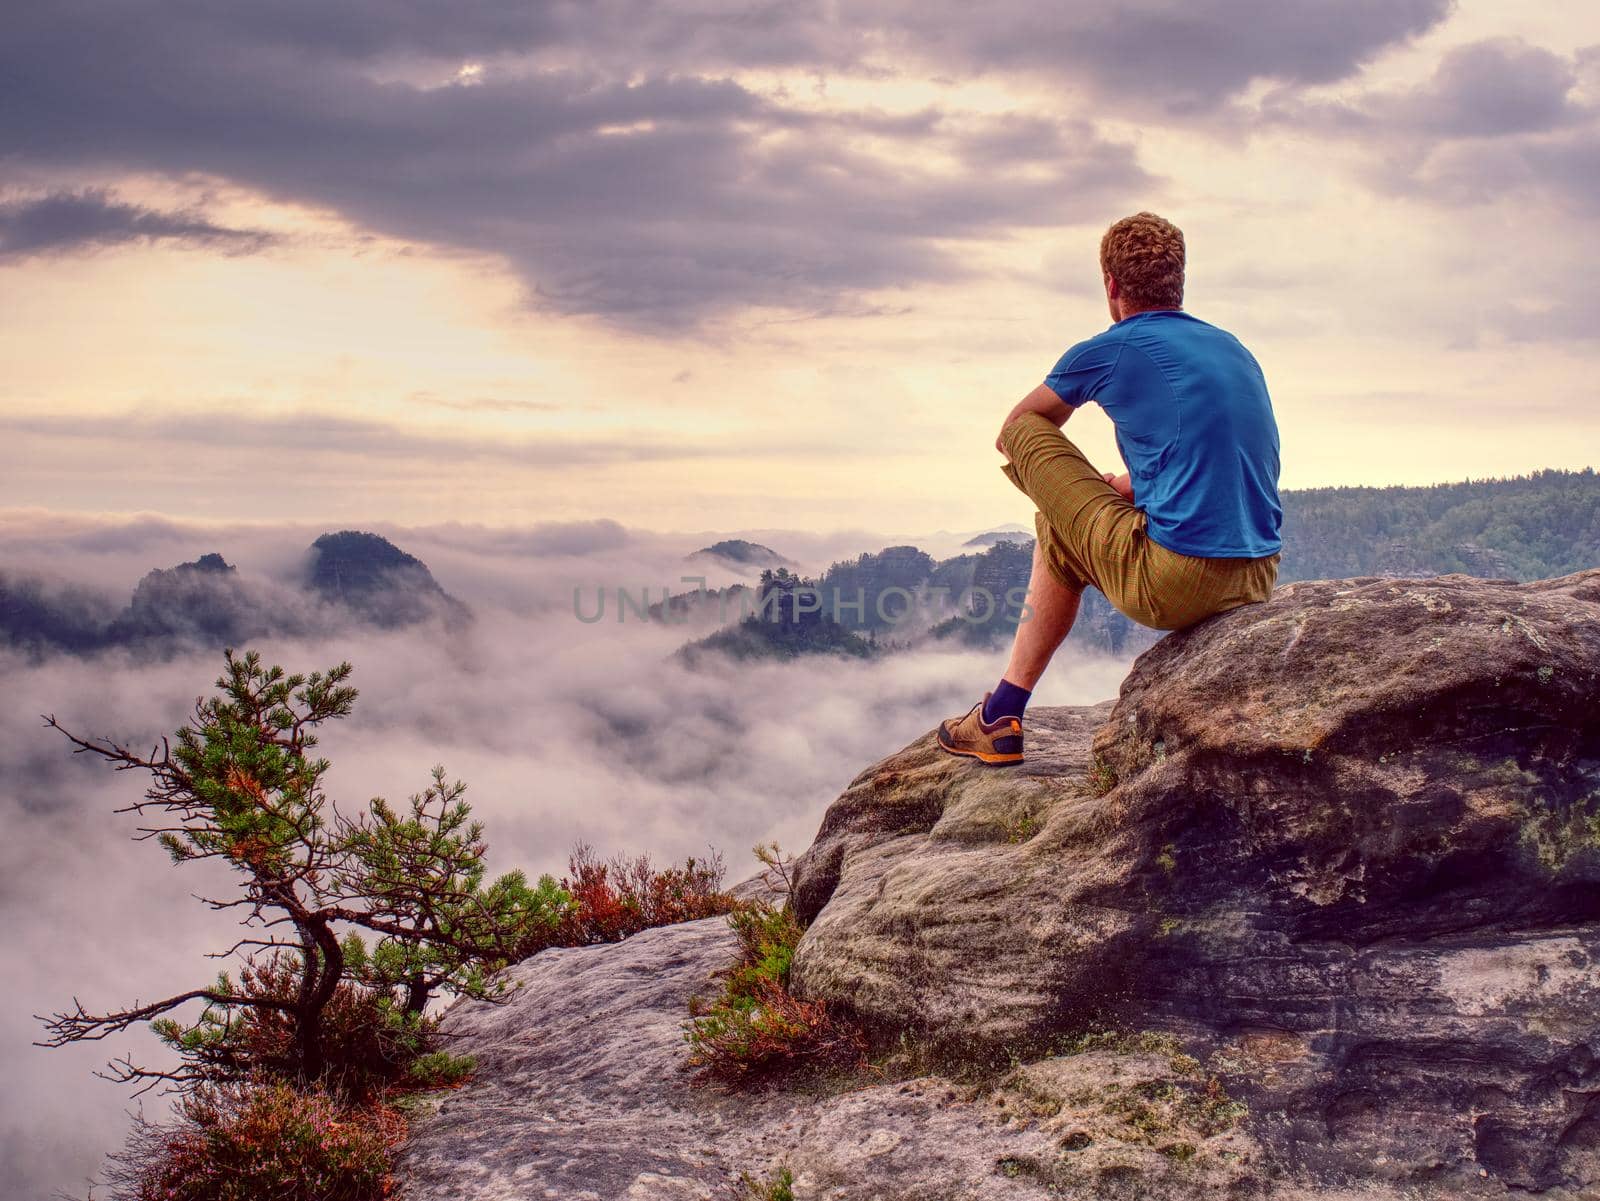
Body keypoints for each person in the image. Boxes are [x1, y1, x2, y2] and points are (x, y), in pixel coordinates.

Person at [938, 212, 1282, 766]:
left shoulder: (1112, 347)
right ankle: (1001, 712)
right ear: (1179, 281)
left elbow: (1015, 431)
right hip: (1259, 570)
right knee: (1069, 513)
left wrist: (1071, 494)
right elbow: (1210, 460)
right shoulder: (1233, 349)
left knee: (1053, 509)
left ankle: (1000, 715)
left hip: (1179, 581)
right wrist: (1125, 485)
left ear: (1112, 287)